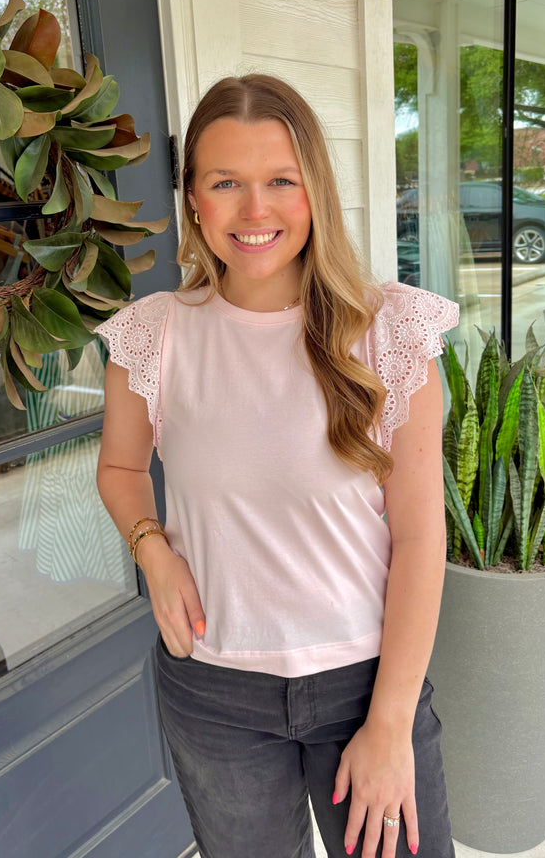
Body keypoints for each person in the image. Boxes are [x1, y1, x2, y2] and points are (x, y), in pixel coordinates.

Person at [96, 75, 459, 858]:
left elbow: (423, 542)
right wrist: (151, 548)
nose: (254, 211)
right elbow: (121, 469)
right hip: (214, 689)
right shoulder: (153, 337)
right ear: (193, 197)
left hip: (367, 681)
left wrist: (390, 724)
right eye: (226, 182)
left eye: (279, 182)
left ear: (313, 191)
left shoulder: (389, 333)